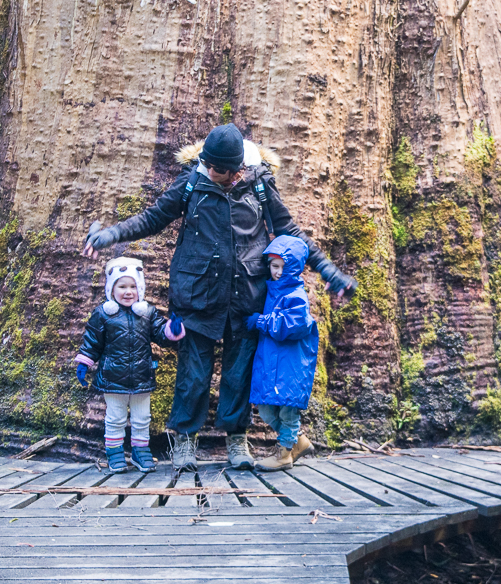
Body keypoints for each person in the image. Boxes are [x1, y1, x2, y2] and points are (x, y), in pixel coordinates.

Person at [83, 123, 356, 472]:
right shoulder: (192, 182)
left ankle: (236, 439)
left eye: (219, 171)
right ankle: (183, 440)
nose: (212, 173)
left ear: (237, 168)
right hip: (197, 294)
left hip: (247, 295)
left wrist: (329, 272)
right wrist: (111, 234)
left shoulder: (259, 185)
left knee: (238, 373)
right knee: (192, 374)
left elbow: (291, 232)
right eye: (208, 166)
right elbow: (153, 218)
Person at [74, 257, 185, 473]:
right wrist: (84, 362)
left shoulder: (147, 313)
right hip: (112, 377)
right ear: (111, 289)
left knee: (142, 417)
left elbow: (161, 334)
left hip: (142, 376)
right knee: (115, 417)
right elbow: (92, 341)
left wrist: (173, 329)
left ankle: (140, 451)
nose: (128, 292)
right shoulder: (103, 314)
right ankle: (114, 452)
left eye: (133, 286)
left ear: (140, 288)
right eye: (122, 286)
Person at [245, 235, 319, 471]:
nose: (277, 271)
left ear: (294, 267)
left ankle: (284, 452)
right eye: (273, 266)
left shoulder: (295, 294)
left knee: (287, 409)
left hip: (291, 365)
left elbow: (295, 325)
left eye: (283, 267)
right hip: (273, 362)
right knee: (266, 410)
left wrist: (262, 321)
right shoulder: (273, 290)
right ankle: (298, 441)